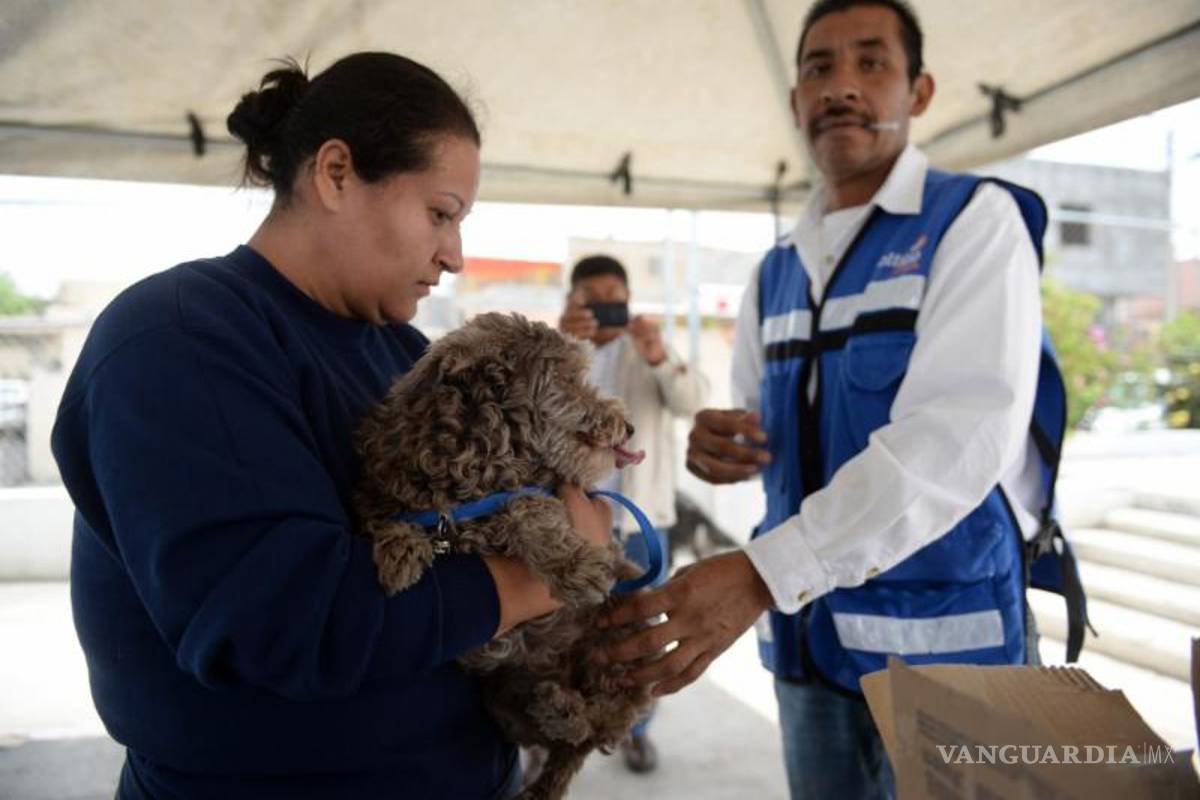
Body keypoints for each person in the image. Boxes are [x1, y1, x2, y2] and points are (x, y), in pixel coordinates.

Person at [50, 51, 613, 800]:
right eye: (440, 213)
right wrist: (537, 576)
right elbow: (281, 622)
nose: (454, 254)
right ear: (337, 173)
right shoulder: (179, 338)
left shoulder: (407, 354)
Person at [596, 2, 1081, 798]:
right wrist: (721, 447)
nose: (841, 86)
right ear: (796, 101)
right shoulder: (777, 270)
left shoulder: (973, 222)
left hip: (948, 654)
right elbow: (761, 424)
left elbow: (957, 438)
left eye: (871, 62)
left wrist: (760, 574)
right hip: (807, 650)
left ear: (919, 91)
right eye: (819, 68)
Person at [557, 254, 709, 773]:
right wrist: (563, 342)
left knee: (642, 634)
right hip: (570, 521)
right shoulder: (560, 350)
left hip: (640, 521)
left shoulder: (646, 351)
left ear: (628, 299)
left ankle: (634, 729)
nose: (605, 304)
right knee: (558, 628)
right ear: (574, 299)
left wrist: (659, 355)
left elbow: (693, 400)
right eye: (593, 296)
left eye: (614, 295)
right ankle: (548, 735)